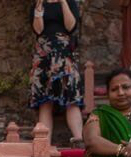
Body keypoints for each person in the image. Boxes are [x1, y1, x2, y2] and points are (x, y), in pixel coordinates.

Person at [30, 0, 84, 142]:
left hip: (63, 53)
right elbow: (38, 30)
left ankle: (79, 139)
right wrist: (39, 8)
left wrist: (63, 2)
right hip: (44, 55)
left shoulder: (70, 3)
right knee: (45, 101)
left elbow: (71, 27)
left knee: (71, 97)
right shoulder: (38, 4)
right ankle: (44, 143)